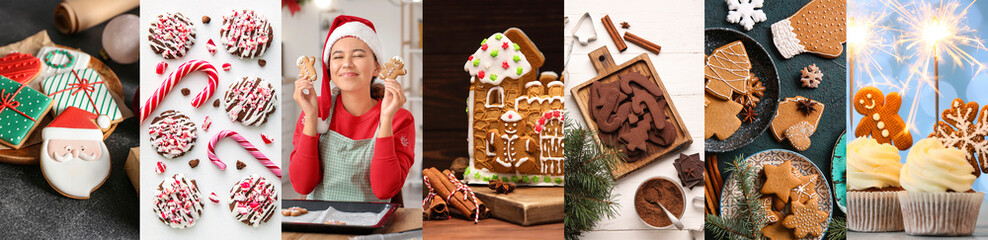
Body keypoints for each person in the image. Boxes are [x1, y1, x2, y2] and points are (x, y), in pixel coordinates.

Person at [289, 15, 415, 202]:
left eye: (358, 55)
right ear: (329, 69)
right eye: (338, 57)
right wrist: (311, 116)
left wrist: (386, 119)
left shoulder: (400, 118)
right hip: (320, 219)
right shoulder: (317, 110)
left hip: (373, 219)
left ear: (376, 68)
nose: (347, 63)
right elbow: (302, 185)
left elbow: (384, 190)